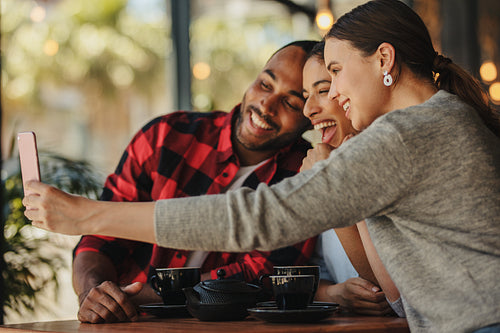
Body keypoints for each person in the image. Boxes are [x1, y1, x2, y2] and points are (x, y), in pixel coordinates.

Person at [23, 1, 500, 332]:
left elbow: (259, 219)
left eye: (333, 74)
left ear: (384, 60)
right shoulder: (434, 124)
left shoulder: (405, 135)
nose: (329, 96)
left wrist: (87, 215)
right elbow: (401, 296)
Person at [68, 40, 319, 323]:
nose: (266, 105)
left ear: (310, 117)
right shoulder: (164, 137)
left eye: (290, 102)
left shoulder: (305, 175)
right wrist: (92, 294)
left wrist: (143, 296)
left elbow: (264, 274)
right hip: (126, 324)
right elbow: (101, 237)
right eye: (265, 84)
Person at [301, 41, 403, 317]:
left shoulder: (392, 158)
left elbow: (389, 289)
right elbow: (315, 266)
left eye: (323, 90)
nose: (308, 109)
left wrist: (331, 188)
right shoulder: (322, 162)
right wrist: (334, 294)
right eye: (305, 95)